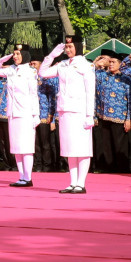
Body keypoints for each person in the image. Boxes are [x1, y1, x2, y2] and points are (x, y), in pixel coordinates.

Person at [40, 36, 95, 194]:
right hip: (65, 110)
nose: (68, 50)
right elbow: (43, 72)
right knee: (69, 148)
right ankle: (72, 182)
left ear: (77, 46)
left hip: (80, 111)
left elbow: (90, 92)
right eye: (66, 47)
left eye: (71, 47)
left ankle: (81, 183)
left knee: (82, 148)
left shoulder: (85, 65)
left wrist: (89, 115)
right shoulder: (62, 64)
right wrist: (51, 55)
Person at [0, 44, 39, 186]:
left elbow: (34, 94)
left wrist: (36, 114)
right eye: (14, 54)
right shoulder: (11, 70)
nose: (15, 56)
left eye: (18, 54)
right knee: (16, 146)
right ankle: (22, 176)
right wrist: (6, 58)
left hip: (26, 112)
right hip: (12, 112)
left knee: (26, 146)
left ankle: (28, 177)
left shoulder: (30, 71)